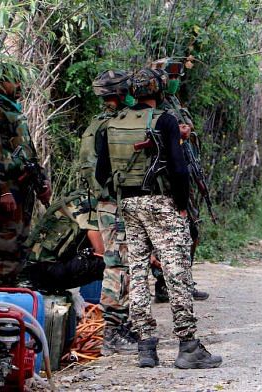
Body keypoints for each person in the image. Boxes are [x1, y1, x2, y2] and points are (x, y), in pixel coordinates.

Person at [96, 68, 222, 369]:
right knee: (176, 272)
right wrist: (180, 205)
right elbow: (179, 169)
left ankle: (146, 348)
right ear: (160, 91)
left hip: (127, 205)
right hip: (161, 203)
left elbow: (102, 173)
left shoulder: (113, 123)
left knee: (137, 274)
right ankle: (188, 346)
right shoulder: (164, 120)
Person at [0, 65, 52, 290]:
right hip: (7, 189)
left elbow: (28, 152)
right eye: (13, 82)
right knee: (4, 243)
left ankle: (14, 294)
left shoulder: (13, 111)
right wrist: (4, 189)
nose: (19, 86)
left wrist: (42, 182)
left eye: (19, 81)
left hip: (24, 186)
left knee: (20, 240)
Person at [79, 69, 139, 355]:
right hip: (114, 203)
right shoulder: (113, 126)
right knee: (119, 266)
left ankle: (120, 326)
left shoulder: (97, 123)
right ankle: (114, 331)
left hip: (106, 202)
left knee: (121, 264)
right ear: (118, 94)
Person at [150, 57, 209, 303]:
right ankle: (164, 285)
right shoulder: (149, 107)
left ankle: (183, 281)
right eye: (169, 77)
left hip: (184, 170)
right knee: (167, 234)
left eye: (176, 77)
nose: (173, 82)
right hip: (163, 177)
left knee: (190, 230)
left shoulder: (173, 101)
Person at [18, 190, 105, 292]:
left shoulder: (76, 197)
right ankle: (114, 304)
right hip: (46, 270)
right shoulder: (89, 203)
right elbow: (101, 251)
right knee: (106, 264)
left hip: (35, 268)